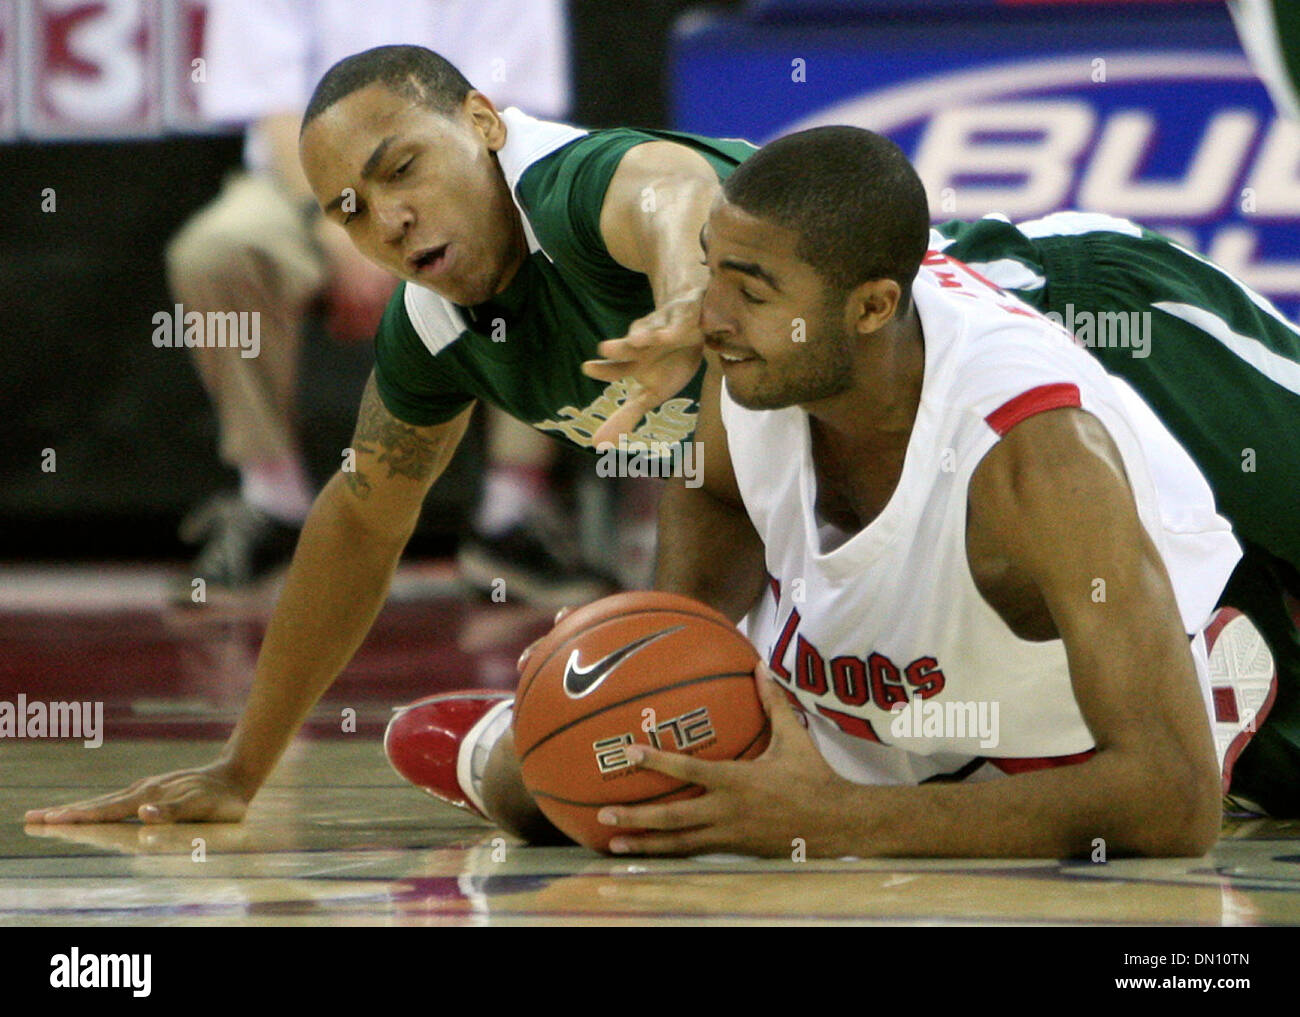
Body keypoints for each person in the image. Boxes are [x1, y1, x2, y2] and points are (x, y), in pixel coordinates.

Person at [25, 47, 1297, 830]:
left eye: (405, 166)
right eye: (351, 208)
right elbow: (363, 520)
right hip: (876, 461)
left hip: (1064, 318)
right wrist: (247, 766)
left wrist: (693, 295)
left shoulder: (573, 187)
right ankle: (506, 748)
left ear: (479, 121)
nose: (390, 216)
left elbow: (669, 193)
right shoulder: (437, 321)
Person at [413, 128, 1286, 858]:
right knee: (548, 792)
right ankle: (503, 736)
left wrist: (834, 822)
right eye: (711, 270)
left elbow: (1174, 805)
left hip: (1065, 734)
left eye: (749, 291)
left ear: (869, 309)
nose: (708, 315)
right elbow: (714, 494)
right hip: (881, 698)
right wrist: (641, 688)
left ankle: (1203, 673)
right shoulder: (745, 364)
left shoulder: (1037, 453)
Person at [166, 2, 592, 604]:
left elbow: (504, 117)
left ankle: (513, 516)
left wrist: (412, 220)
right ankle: (274, 505)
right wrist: (346, 227)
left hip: (467, 182)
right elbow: (277, 114)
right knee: (216, 251)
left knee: (549, 227)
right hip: (303, 194)